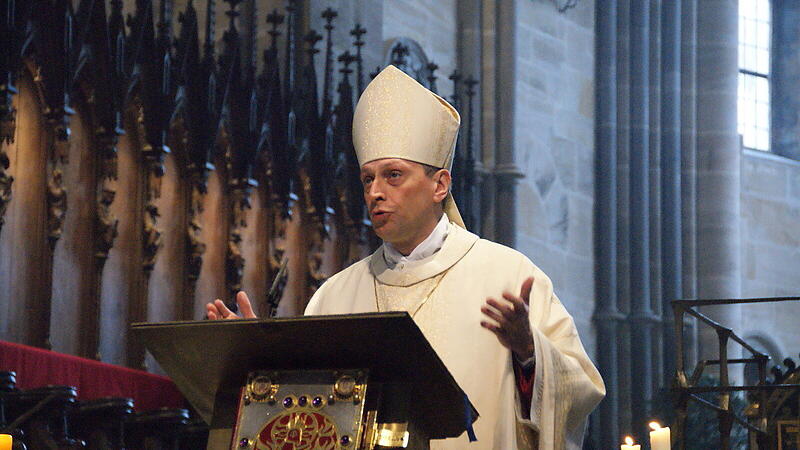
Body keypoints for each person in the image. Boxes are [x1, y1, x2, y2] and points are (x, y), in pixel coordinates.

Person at [207, 65, 605, 449]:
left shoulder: (508, 277)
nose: (375, 192)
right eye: (367, 178)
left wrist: (529, 352)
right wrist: (255, 359)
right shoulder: (335, 296)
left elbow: (580, 392)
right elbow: (310, 415)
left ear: (440, 185)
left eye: (393, 175)